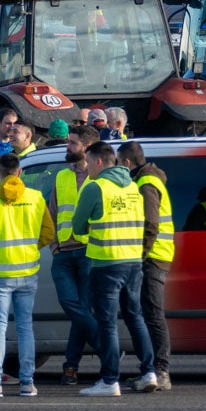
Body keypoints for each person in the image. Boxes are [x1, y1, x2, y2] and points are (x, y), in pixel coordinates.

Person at [72, 141, 158, 396]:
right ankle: (149, 371)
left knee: (107, 323)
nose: (86, 168)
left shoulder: (96, 187)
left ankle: (110, 380)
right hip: (133, 262)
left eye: (87, 163)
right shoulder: (133, 187)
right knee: (135, 316)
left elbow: (78, 227)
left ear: (99, 162)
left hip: (107, 262)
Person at [0, 152, 53, 398]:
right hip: (27, 271)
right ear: (19, 173)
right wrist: (28, 249)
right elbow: (48, 233)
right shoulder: (36, 198)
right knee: (25, 327)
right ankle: (27, 382)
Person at [118, 141, 174, 392]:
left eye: (120, 163)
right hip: (155, 255)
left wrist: (140, 254)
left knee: (152, 314)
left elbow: (150, 223)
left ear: (127, 163)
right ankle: (151, 370)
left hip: (152, 257)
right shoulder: (149, 179)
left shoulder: (146, 183)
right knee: (148, 313)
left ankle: (160, 371)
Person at [52, 123, 99, 385]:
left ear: (87, 147)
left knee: (81, 309)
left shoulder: (99, 176)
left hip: (88, 251)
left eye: (72, 143)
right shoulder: (61, 175)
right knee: (73, 305)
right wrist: (54, 246)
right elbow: (53, 210)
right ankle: (105, 349)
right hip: (63, 253)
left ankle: (70, 366)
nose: (67, 147)